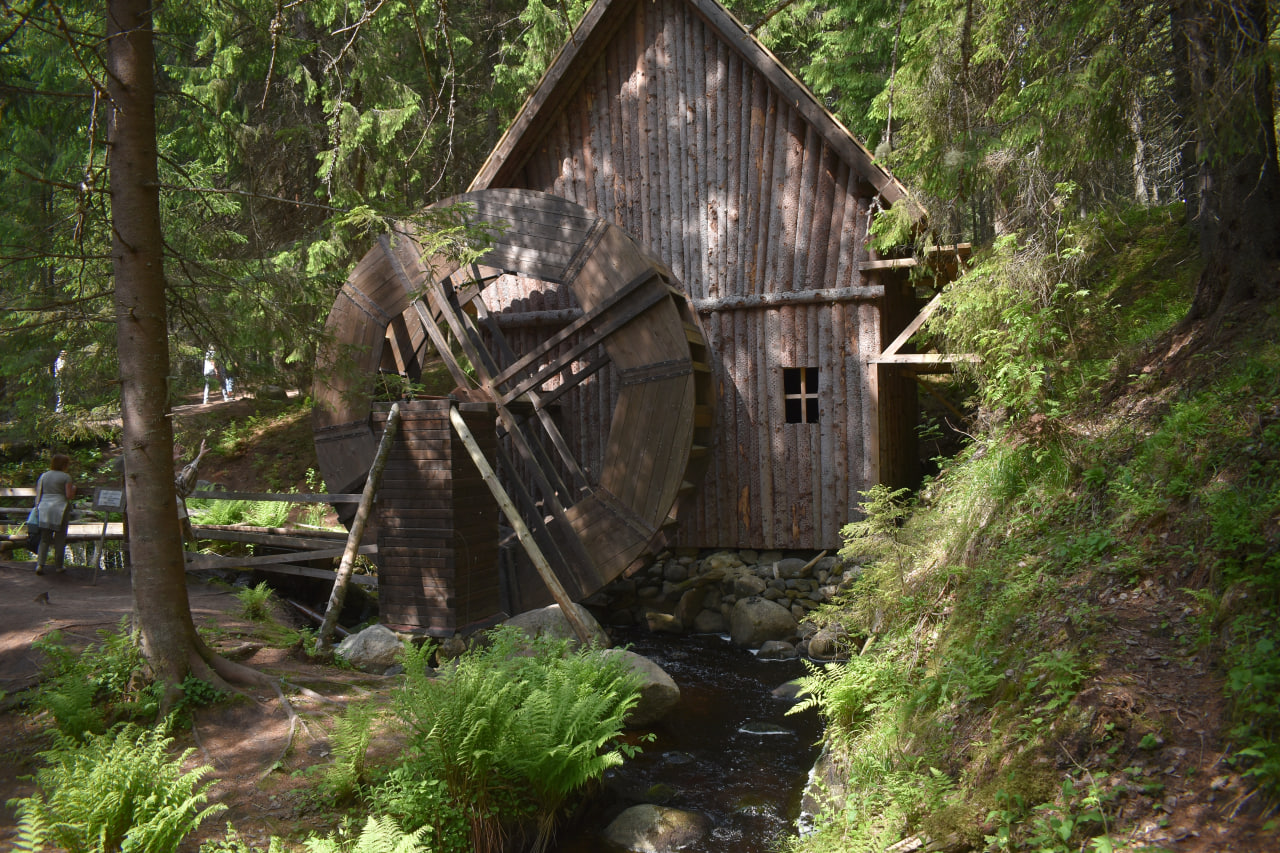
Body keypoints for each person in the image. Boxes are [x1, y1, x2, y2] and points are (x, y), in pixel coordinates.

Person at [32, 452, 76, 575]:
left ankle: (40, 564)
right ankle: (58, 566)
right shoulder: (66, 477)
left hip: (44, 508)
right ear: (64, 464)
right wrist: (74, 489)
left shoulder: (44, 476)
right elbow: (68, 496)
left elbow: (39, 493)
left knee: (45, 539)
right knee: (60, 539)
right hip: (60, 508)